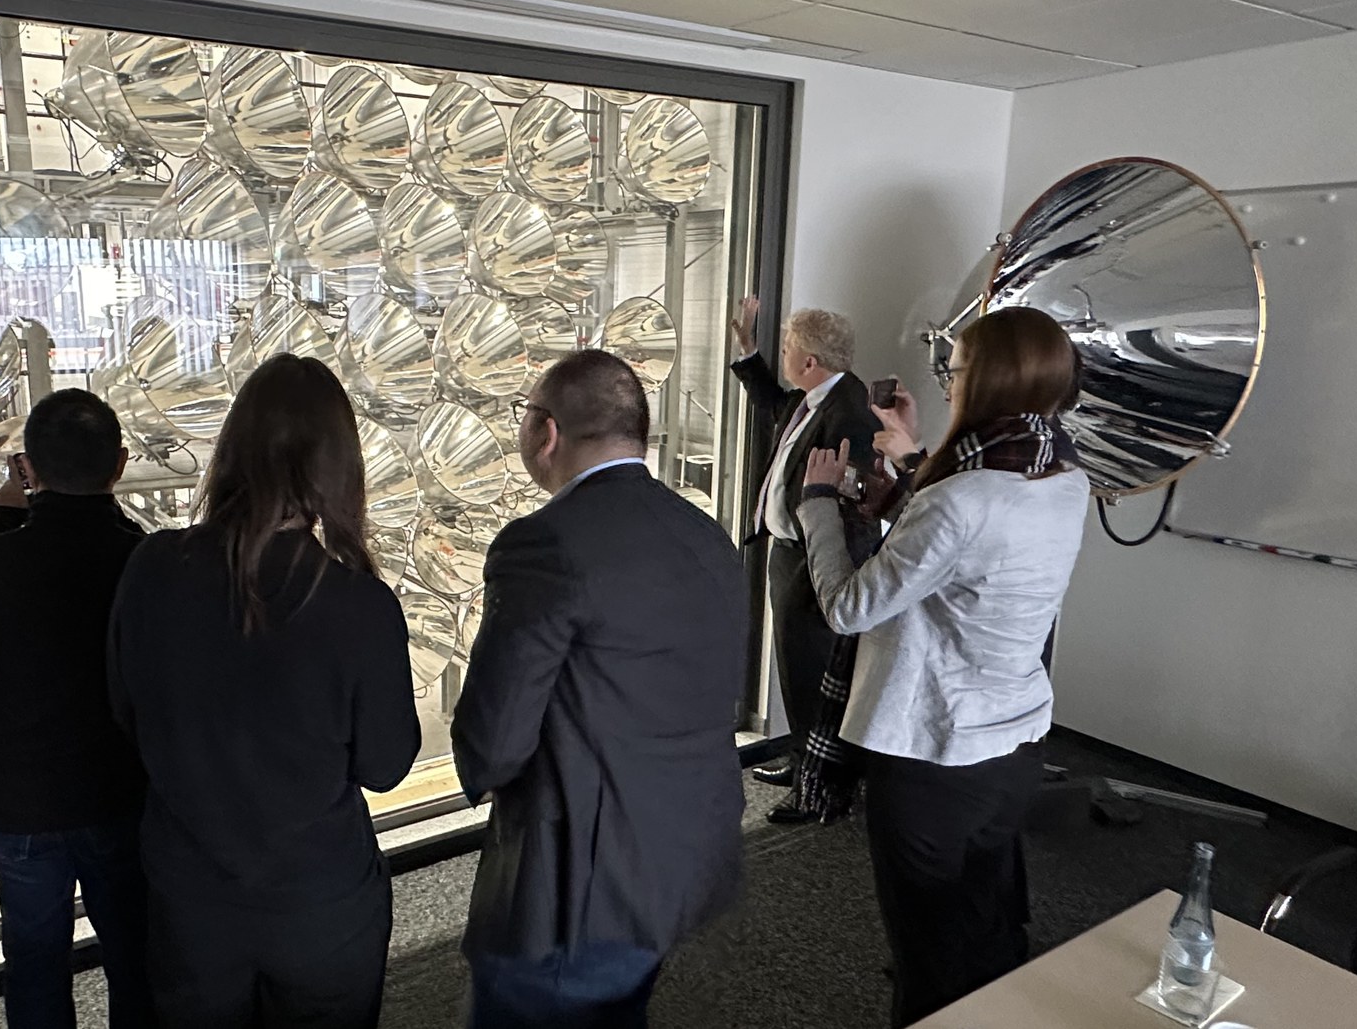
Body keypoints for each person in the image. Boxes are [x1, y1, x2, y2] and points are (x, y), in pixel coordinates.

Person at [794, 306, 1089, 1027]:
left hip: (935, 753)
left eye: (955, 371)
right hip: (1014, 739)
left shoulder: (959, 498)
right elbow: (960, 550)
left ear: (984, 381)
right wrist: (908, 460)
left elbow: (849, 606)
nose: (949, 382)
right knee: (984, 920)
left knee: (927, 948)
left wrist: (818, 511)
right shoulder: (1065, 477)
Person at [106, 354, 421, 1029]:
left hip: (189, 896)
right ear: (338, 467)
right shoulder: (358, 604)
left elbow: (125, 713)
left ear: (234, 449)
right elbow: (387, 765)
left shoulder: (153, 566)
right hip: (319, 904)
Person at [453, 349, 749, 1028]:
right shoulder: (706, 536)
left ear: (546, 432)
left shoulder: (543, 545)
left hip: (576, 886)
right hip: (678, 857)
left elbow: (495, 741)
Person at [0, 389, 153, 1029]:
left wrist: (0, 519)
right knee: (135, 952)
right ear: (120, 464)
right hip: (117, 790)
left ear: (28, 469)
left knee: (32, 955)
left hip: (19, 793)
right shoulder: (139, 556)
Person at [729, 297, 881, 821]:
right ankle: (802, 762)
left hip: (816, 560)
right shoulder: (813, 397)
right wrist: (748, 351)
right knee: (795, 666)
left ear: (810, 362)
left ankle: (820, 786)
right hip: (789, 553)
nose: (785, 354)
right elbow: (773, 406)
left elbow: (854, 501)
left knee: (812, 669)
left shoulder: (850, 413)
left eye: (788, 347)